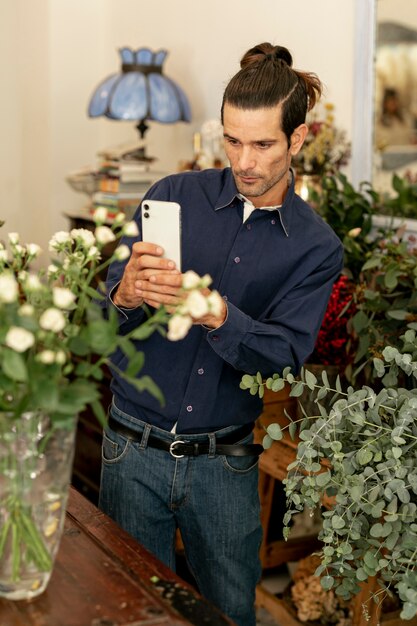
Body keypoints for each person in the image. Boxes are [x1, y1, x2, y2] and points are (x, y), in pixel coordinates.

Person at [98, 42, 344, 626]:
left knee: (229, 613)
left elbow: (283, 356)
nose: (245, 161)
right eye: (233, 140)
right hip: (130, 451)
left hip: (225, 467)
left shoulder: (316, 248)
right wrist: (124, 293)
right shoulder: (171, 196)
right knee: (133, 611)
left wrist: (217, 315)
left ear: (298, 139)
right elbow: (101, 323)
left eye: (262, 144)